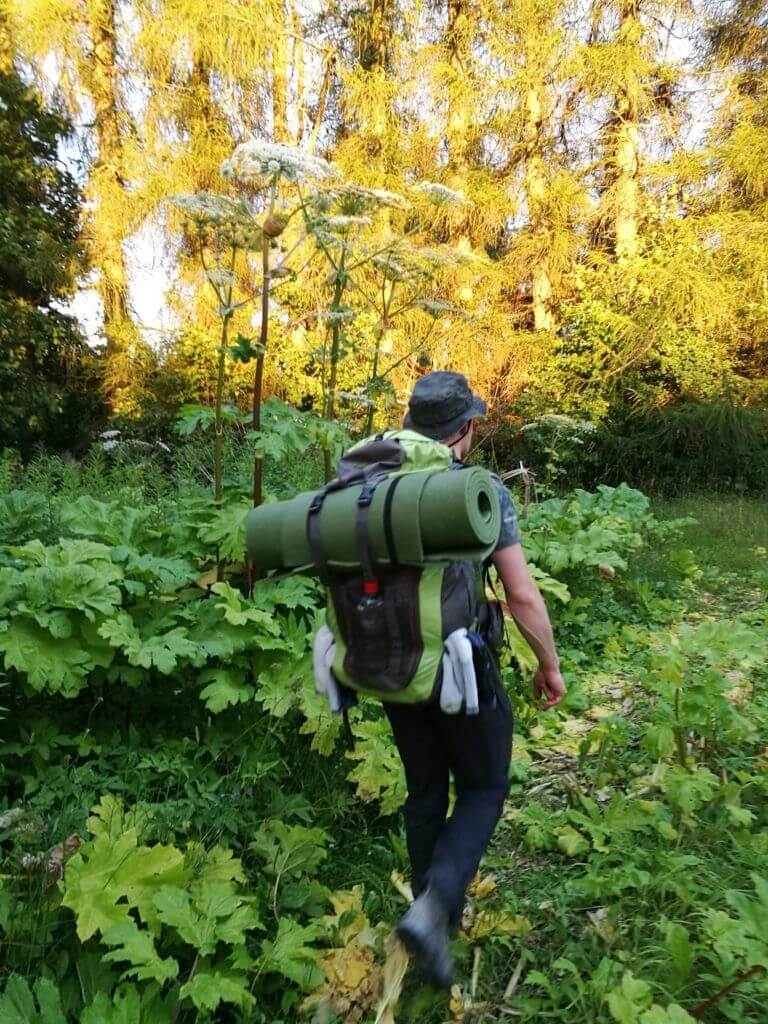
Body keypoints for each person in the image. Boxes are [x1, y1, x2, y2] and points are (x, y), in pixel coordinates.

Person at [391, 371, 566, 986]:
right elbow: (519, 593)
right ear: (464, 429)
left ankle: (427, 913)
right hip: (460, 668)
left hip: (391, 666)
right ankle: (437, 906)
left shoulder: (372, 481)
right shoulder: (478, 490)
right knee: (486, 787)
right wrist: (548, 663)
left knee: (424, 792)